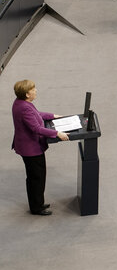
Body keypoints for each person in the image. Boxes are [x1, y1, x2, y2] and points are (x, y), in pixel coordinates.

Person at [11, 80, 69, 216]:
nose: (36, 90)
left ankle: (38, 202)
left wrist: (53, 116)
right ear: (26, 94)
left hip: (29, 147)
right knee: (36, 178)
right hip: (30, 149)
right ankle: (36, 207)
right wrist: (57, 133)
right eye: (33, 89)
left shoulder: (20, 103)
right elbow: (36, 128)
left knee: (37, 176)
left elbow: (36, 114)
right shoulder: (24, 107)